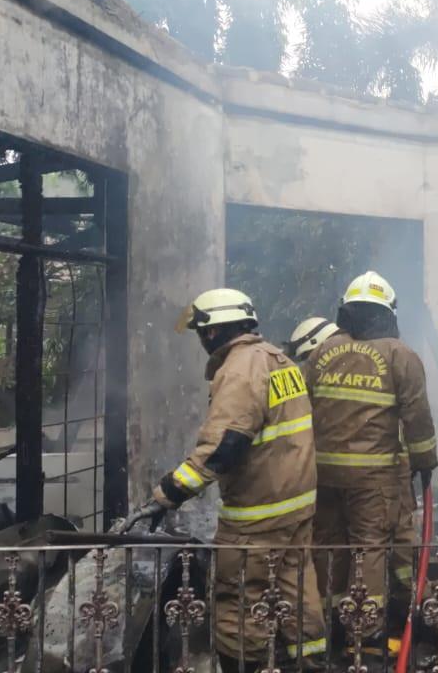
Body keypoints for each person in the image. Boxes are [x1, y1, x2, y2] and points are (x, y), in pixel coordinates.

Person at [122, 288, 325, 672]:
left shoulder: (239, 369)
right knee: (297, 589)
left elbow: (222, 448)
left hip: (258, 515)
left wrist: (165, 496)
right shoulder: (278, 360)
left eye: (201, 331)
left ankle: (244, 665)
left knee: (237, 600)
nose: (200, 340)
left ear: (213, 332)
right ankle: (310, 663)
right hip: (296, 506)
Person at [303, 272, 437, 648]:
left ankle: (329, 619)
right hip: (373, 477)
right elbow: (417, 418)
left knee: (328, 544)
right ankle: (365, 631)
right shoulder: (400, 355)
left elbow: (304, 408)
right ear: (388, 313)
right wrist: (425, 462)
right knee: (368, 548)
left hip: (322, 474)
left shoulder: (321, 353)